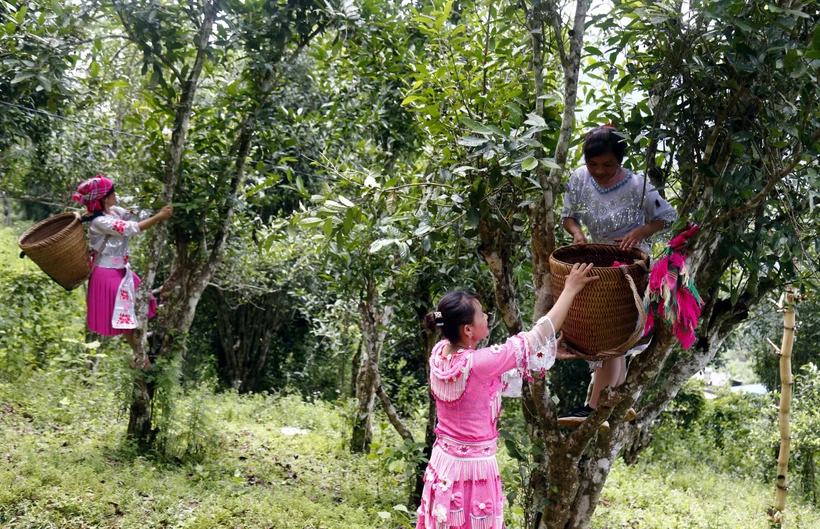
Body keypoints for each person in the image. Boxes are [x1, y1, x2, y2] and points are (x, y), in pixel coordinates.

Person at [416, 263, 597, 529]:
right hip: (473, 469)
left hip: (443, 462)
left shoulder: (440, 354)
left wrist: (548, 352)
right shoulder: (478, 363)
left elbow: (488, 379)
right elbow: (536, 336)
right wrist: (570, 289)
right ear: (468, 329)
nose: (486, 316)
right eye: (481, 314)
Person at [558, 124, 677, 429]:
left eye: (607, 165)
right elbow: (567, 216)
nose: (599, 171)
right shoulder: (578, 178)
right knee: (612, 333)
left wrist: (641, 231)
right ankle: (612, 403)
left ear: (620, 161)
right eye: (593, 164)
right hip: (598, 260)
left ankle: (594, 408)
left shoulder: (638, 185)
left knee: (611, 333)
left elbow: (666, 216)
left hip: (630, 265)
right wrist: (578, 233)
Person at [72, 175, 173, 368]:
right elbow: (131, 228)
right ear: (104, 198)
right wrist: (159, 216)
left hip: (121, 270)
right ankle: (142, 358)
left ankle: (142, 347)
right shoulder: (100, 222)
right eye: (112, 193)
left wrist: (155, 204)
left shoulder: (114, 212)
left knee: (144, 301)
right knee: (123, 314)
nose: (116, 195)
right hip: (107, 272)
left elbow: (135, 215)